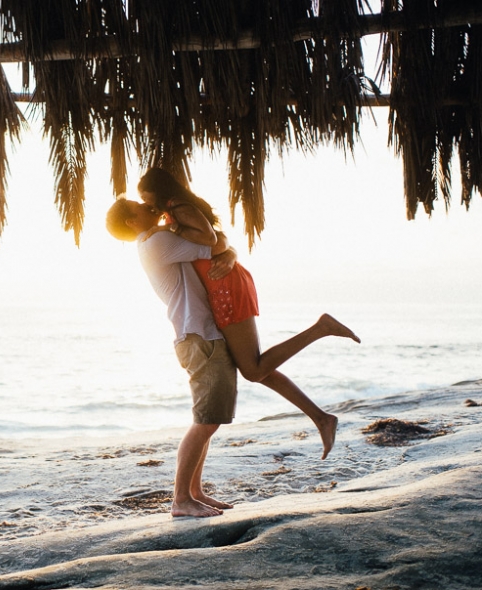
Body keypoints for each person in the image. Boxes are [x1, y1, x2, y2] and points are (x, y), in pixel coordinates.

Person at [136, 167, 361, 460]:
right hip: (219, 286)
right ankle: (322, 418)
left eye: (145, 196)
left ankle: (321, 329)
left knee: (253, 369)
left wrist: (171, 230)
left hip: (225, 287)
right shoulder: (173, 213)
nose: (146, 203)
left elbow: (210, 238)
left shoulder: (178, 208)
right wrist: (226, 251)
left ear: (159, 189)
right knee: (255, 368)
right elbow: (219, 240)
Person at [106, 197, 240, 518]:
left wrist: (229, 251)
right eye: (140, 206)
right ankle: (181, 500)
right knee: (206, 421)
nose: (147, 206)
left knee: (208, 420)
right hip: (198, 335)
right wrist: (229, 251)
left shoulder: (157, 240)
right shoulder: (156, 241)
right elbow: (213, 242)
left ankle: (195, 492)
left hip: (198, 334)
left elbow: (216, 244)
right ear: (130, 221)